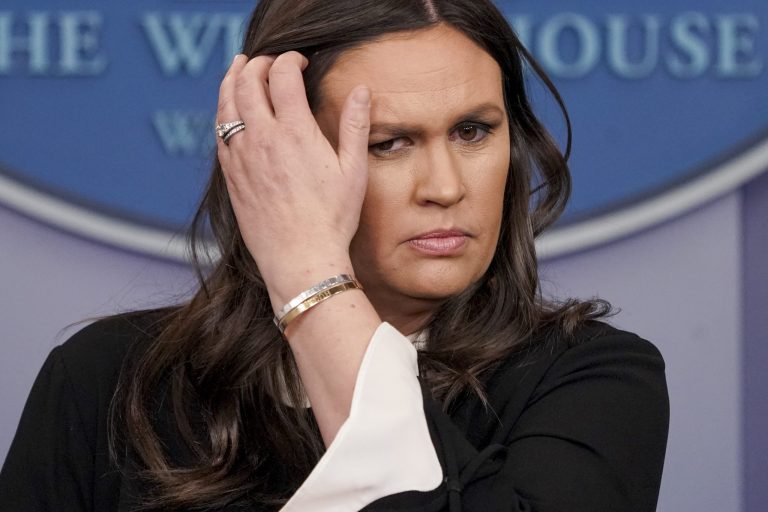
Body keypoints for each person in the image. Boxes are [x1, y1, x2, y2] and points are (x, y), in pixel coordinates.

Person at [0, 0, 670, 511]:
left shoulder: (595, 379)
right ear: (281, 158)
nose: (445, 187)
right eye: (387, 143)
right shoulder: (108, 381)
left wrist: (310, 281)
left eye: (473, 131)